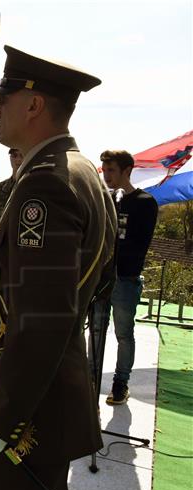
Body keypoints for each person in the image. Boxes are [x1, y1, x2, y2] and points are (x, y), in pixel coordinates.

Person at [0, 46, 116, 490]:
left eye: (3, 99)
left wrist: (0, 416)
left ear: (32, 105)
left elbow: (43, 320)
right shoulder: (78, 170)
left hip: (27, 411)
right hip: (47, 398)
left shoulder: (46, 184)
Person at [90, 150, 158, 405]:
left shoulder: (144, 202)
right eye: (104, 170)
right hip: (100, 279)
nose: (106, 176)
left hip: (126, 279)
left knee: (123, 333)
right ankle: (91, 379)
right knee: (95, 330)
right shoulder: (105, 199)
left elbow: (140, 244)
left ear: (127, 170)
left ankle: (120, 383)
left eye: (111, 170)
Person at [0, 147, 24, 232]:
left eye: (22, 155)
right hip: (1, 242)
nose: (18, 159)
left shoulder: (36, 188)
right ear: (10, 158)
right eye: (14, 155)